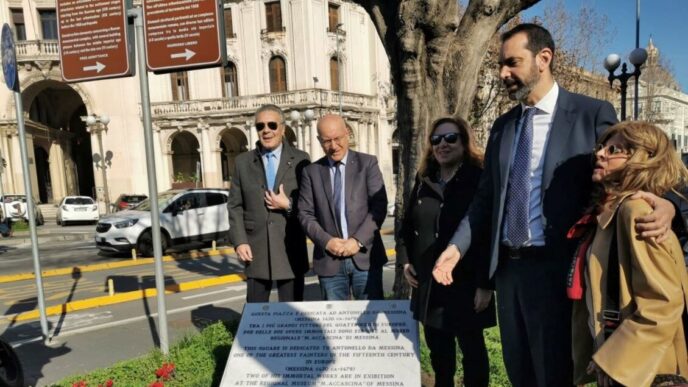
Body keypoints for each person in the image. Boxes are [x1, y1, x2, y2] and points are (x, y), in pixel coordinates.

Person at [431, 23, 677, 386]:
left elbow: (639, 162)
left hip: (560, 270)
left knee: (556, 375)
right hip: (509, 273)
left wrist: (667, 203)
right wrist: (456, 247)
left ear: (544, 58)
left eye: (512, 63)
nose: (503, 73)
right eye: (501, 64)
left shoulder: (591, 113)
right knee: (520, 374)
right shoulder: (502, 126)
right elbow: (485, 198)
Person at [571, 121, 688, 386]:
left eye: (614, 150)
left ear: (642, 158)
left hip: (646, 370)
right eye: (601, 147)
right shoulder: (610, 211)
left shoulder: (636, 211)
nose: (600, 154)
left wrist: (614, 359)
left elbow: (663, 302)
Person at [397, 117, 495, 387]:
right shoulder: (424, 180)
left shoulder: (479, 179)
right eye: (436, 140)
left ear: (464, 142)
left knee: (473, 354)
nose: (442, 145)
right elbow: (407, 226)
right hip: (430, 285)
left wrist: (485, 284)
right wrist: (405, 262)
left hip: (467, 283)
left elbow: (487, 234)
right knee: (441, 359)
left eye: (451, 138)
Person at [298, 114, 387, 300]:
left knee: (369, 322)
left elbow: (378, 206)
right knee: (334, 326)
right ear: (318, 141)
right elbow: (305, 214)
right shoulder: (311, 172)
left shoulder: (368, 163)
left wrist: (357, 240)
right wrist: (327, 241)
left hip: (365, 256)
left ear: (347, 133)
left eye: (337, 138)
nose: (333, 146)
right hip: (329, 261)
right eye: (327, 141)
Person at [228, 104, 310, 303]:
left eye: (272, 125)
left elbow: (308, 203)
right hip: (255, 250)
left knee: (292, 316)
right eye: (260, 126)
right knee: (256, 313)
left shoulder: (301, 160)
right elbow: (235, 206)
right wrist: (240, 241)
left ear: (282, 128)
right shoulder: (242, 162)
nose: (266, 130)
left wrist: (288, 205)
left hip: (290, 248)